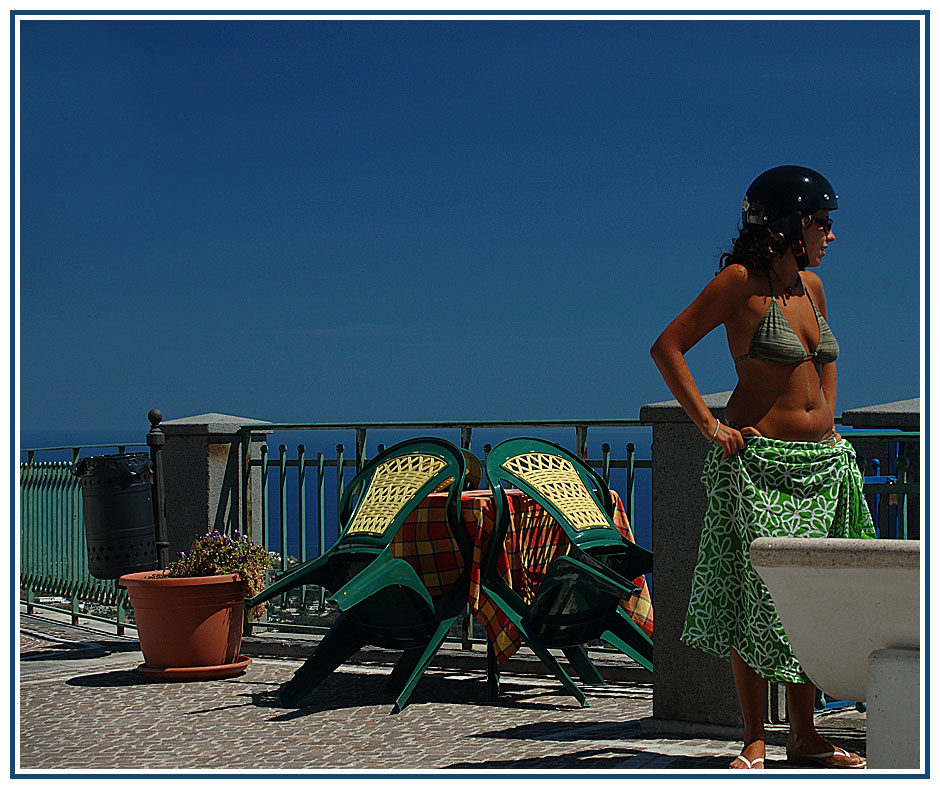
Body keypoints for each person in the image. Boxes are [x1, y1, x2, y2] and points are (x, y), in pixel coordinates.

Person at [650, 165, 875, 770]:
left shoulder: (812, 289)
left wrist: (828, 421)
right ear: (788, 225)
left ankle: (803, 734)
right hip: (756, 465)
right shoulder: (737, 282)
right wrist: (708, 424)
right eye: (821, 222)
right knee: (754, 601)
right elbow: (668, 347)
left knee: (815, 602)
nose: (831, 234)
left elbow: (825, 358)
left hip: (819, 466)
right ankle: (754, 736)